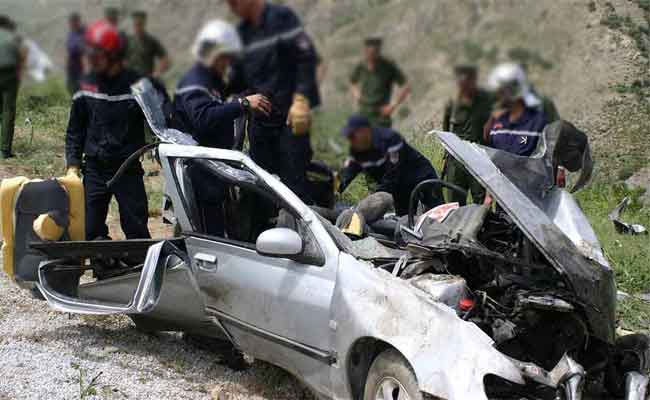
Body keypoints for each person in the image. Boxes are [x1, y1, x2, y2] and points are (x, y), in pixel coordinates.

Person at [172, 20, 271, 236]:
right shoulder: (194, 81)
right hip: (199, 172)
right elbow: (203, 118)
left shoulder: (211, 80)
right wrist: (243, 104)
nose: (228, 63)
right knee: (209, 236)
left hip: (211, 168)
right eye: (226, 57)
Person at [65, 19, 150, 241]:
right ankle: (106, 269)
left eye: (96, 56)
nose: (91, 61)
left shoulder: (138, 85)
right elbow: (75, 129)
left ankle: (138, 269)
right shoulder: (85, 84)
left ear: (113, 56)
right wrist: (72, 165)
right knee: (89, 229)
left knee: (136, 229)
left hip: (127, 168)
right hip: (95, 169)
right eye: (89, 56)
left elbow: (160, 122)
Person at [226, 0, 319, 203]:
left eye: (235, 2)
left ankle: (302, 232)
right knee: (260, 186)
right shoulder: (242, 32)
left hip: (290, 119)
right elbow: (238, 77)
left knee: (294, 188)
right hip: (260, 122)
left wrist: (302, 99)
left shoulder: (282, 18)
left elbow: (306, 57)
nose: (232, 8)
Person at [338, 115, 442, 216]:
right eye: (349, 137)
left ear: (365, 131)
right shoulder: (356, 151)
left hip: (421, 176)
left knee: (439, 212)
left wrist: (376, 198)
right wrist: (334, 190)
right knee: (405, 221)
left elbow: (393, 172)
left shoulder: (390, 139)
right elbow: (347, 174)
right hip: (400, 188)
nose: (351, 140)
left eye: (352, 136)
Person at [442, 64, 492, 205]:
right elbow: (445, 133)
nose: (464, 85)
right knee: (454, 204)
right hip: (455, 161)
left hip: (478, 158)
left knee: (481, 204)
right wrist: (446, 157)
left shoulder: (486, 101)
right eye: (461, 82)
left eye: (468, 81)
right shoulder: (451, 104)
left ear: (474, 80)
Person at [485, 63, 547, 157]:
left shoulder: (539, 122)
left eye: (500, 92)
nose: (497, 96)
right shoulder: (498, 123)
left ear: (513, 90)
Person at [349, 37, 410, 128]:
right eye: (368, 52)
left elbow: (405, 86)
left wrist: (393, 105)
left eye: (374, 52)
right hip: (364, 113)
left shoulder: (388, 66)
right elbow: (352, 82)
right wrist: (357, 94)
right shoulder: (361, 66)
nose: (370, 55)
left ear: (378, 51)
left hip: (381, 116)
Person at [0, 15, 24, 159]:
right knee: (8, 110)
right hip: (10, 75)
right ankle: (4, 150)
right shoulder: (14, 37)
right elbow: (21, 57)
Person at [126, 11, 170, 78]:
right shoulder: (128, 41)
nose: (138, 27)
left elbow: (165, 59)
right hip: (130, 80)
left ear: (144, 24)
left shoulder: (151, 41)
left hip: (145, 80)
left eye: (140, 24)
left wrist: (157, 73)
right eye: (136, 25)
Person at [65, 13, 85, 95]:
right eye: (71, 22)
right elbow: (69, 48)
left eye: (74, 22)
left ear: (78, 22)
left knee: (80, 86)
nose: (72, 24)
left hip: (81, 63)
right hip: (72, 63)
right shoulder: (71, 33)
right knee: (70, 86)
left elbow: (81, 48)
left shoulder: (84, 32)